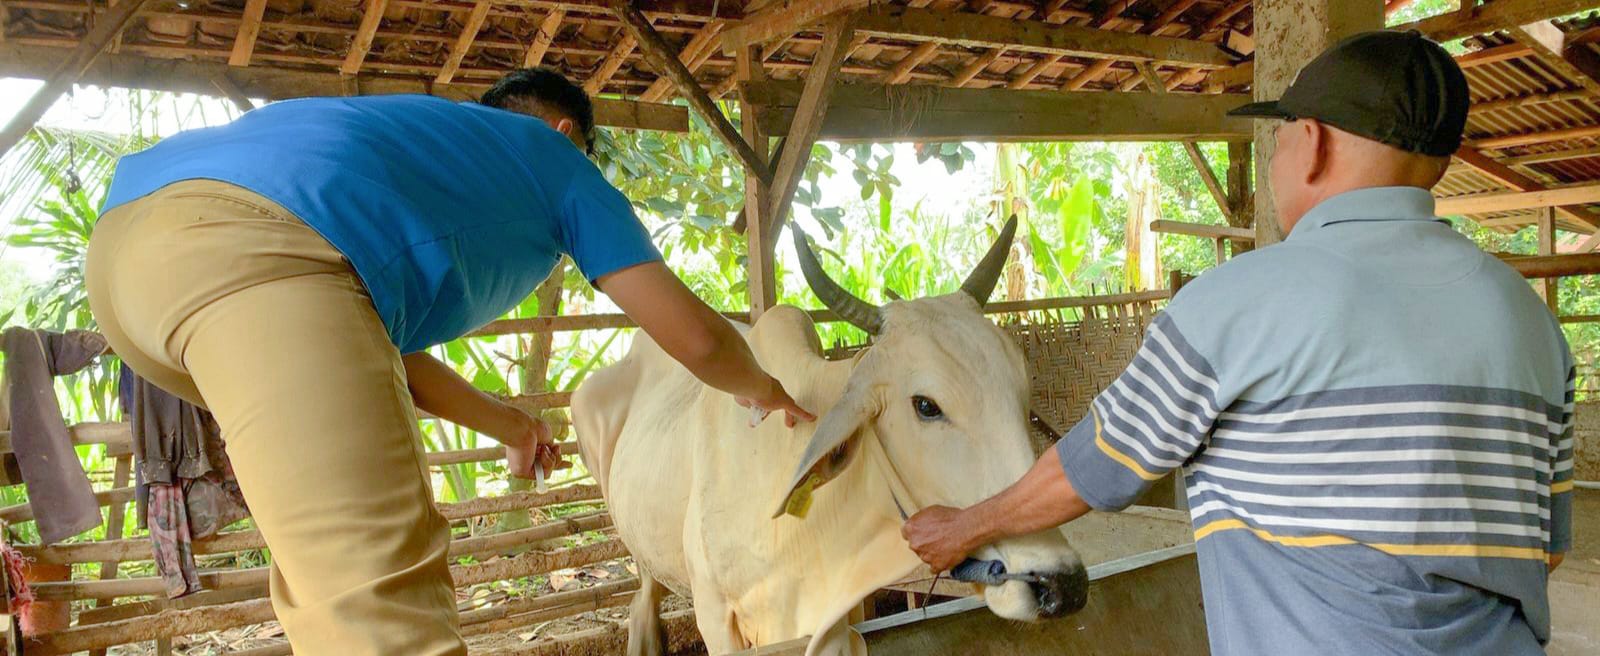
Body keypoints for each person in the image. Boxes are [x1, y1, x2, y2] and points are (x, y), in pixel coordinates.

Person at [84, 68, 813, 656]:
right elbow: (697, 339)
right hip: (250, 252)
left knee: (334, 602)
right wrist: (769, 389)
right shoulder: (554, 159)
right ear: (567, 133)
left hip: (129, 263)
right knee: (387, 621)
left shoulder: (425, 156)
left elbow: (364, 353)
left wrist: (512, 427)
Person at [902, 30, 1573, 656]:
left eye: (1277, 139)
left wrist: (961, 529)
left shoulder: (1240, 300)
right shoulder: (1530, 320)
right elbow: (1546, 550)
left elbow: (1096, 465)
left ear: (1311, 142)